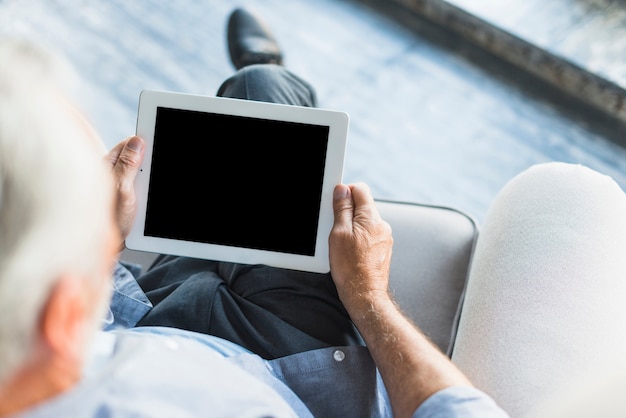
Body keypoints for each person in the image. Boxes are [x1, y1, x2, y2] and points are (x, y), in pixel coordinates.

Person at [1, 7, 625, 418]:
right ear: (59, 317)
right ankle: (270, 72)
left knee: (247, 144)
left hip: (135, 319)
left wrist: (100, 251)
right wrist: (369, 298)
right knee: (262, 103)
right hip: (280, 357)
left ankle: (267, 81)